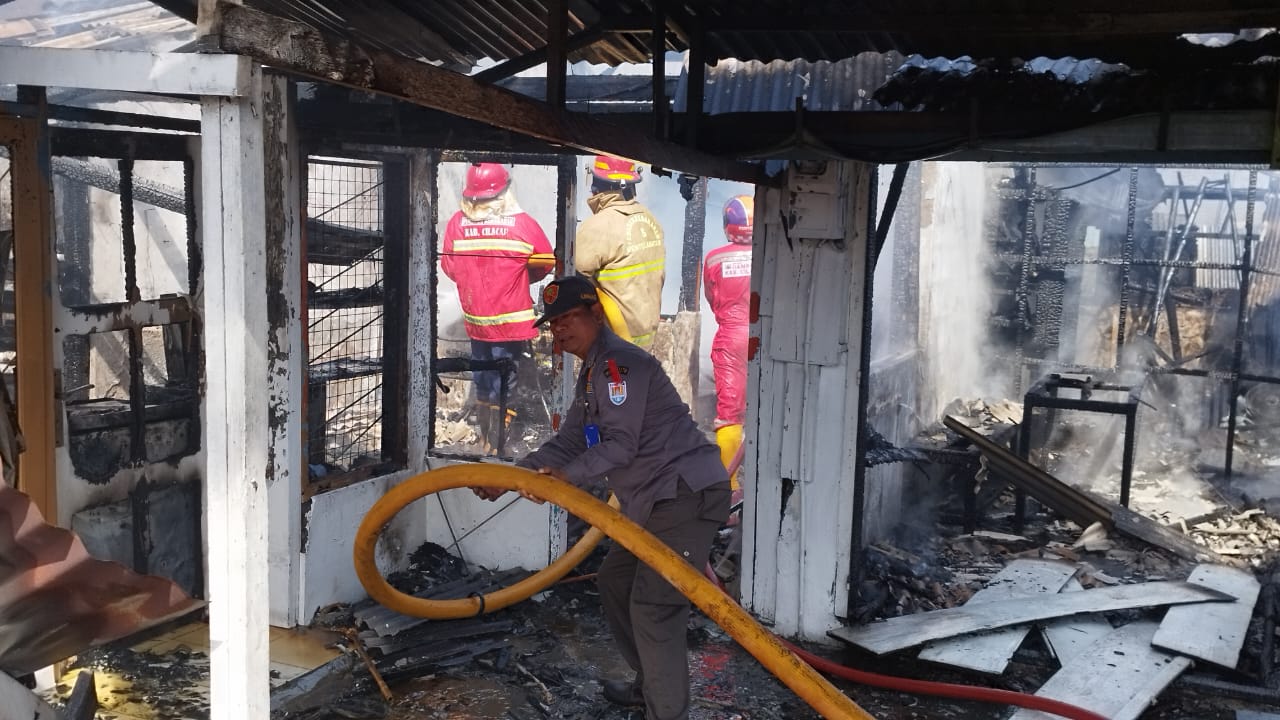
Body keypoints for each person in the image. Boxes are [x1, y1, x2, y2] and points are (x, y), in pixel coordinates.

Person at [473, 276, 730, 720]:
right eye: (553, 325)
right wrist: (513, 477)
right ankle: (650, 685)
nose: (560, 332)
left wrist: (563, 479)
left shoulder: (619, 368)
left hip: (684, 496)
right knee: (615, 580)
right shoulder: (593, 374)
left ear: (595, 314)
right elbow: (569, 442)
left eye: (568, 319)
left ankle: (665, 711)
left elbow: (619, 447)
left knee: (654, 605)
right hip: (653, 502)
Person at [441, 163, 554, 452]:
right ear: (504, 191)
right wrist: (518, 277)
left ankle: (483, 439)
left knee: (482, 379)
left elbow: (449, 267)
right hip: (511, 323)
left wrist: (474, 285)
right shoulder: (522, 224)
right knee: (507, 380)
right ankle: (497, 443)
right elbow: (546, 262)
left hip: (477, 321)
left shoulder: (456, 223)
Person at [575, 155, 666, 347]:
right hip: (645, 338)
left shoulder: (598, 225)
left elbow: (574, 277)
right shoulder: (651, 220)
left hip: (614, 340)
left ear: (600, 185)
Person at [702, 194, 754, 489]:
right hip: (767, 339)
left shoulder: (715, 258)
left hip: (731, 339)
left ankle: (730, 489)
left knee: (729, 415)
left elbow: (712, 298)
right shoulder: (773, 253)